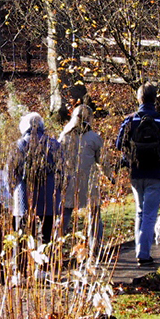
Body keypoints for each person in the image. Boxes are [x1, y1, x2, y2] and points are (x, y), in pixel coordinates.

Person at [115, 83, 160, 266]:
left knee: (140, 212)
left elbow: (119, 144)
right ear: (155, 98)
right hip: (156, 174)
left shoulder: (129, 121)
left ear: (139, 99)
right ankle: (143, 254)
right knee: (150, 214)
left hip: (136, 173)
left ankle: (139, 250)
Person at [6, 112, 62, 246]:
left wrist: (12, 192)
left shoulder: (18, 146)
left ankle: (21, 265)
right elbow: (63, 172)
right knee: (47, 238)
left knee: (22, 237)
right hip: (49, 199)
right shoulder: (54, 145)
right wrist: (59, 192)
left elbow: (10, 175)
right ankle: (46, 264)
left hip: (23, 198)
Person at [58, 104, 107, 257]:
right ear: (90, 118)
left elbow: (57, 158)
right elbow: (103, 161)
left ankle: (55, 247)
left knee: (64, 214)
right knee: (94, 214)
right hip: (89, 181)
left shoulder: (64, 135)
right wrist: (110, 176)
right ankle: (95, 249)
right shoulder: (94, 137)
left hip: (69, 181)